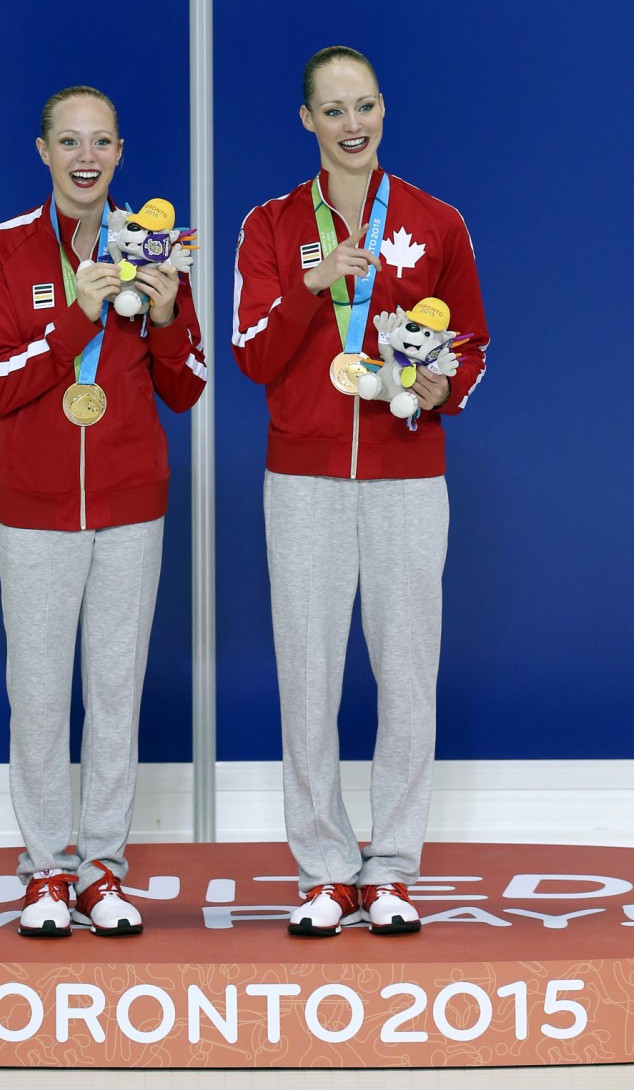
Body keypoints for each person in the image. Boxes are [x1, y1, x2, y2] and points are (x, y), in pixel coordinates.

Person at [232, 47, 488, 936]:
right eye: (334, 112)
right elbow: (253, 354)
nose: (353, 126)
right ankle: (326, 867)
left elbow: (475, 347)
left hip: (408, 478)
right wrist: (314, 286)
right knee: (307, 676)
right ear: (307, 121)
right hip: (301, 476)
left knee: (408, 677)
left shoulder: (435, 221)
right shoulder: (268, 226)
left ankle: (392, 868)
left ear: (384, 110)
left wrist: (438, 386)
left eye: (366, 106)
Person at [0, 85, 206, 937]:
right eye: (68, 141)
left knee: (114, 691)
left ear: (118, 153)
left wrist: (171, 308)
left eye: (101, 142)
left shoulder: (153, 245)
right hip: (33, 510)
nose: (85, 157)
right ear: (43, 152)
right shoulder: (1, 249)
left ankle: (102, 867)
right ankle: (43, 871)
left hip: (131, 506)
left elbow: (188, 388)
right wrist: (78, 314)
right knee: (37, 694)